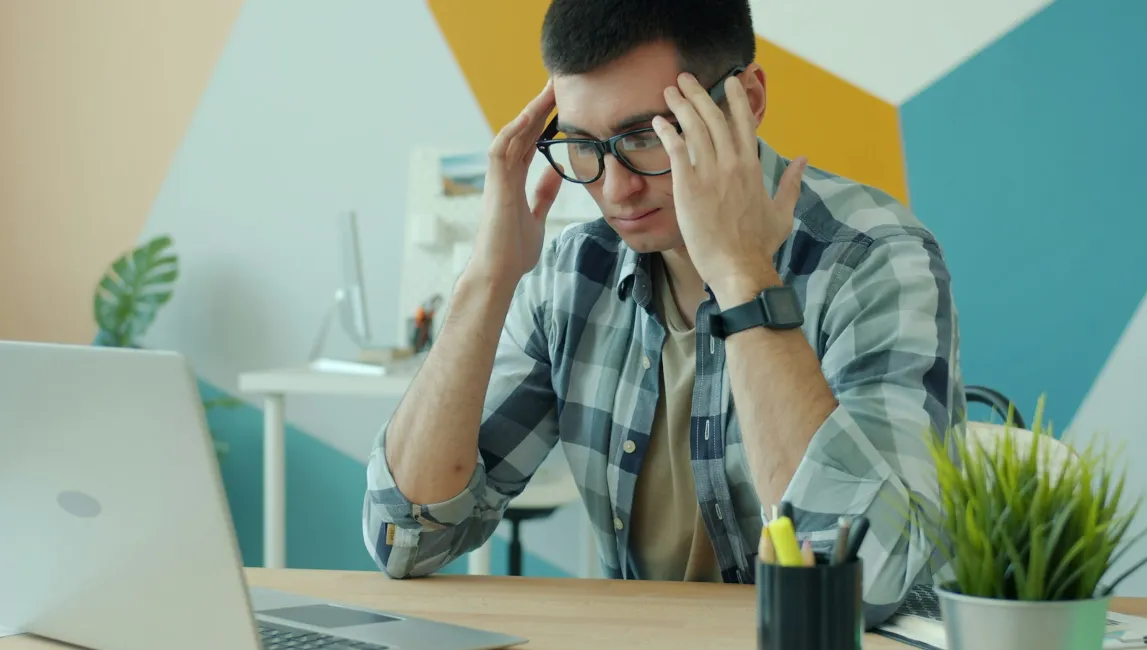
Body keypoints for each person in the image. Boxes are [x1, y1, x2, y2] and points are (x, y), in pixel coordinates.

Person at [362, 0, 962, 627]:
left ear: (746, 101)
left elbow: (865, 582)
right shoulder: (574, 274)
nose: (614, 190)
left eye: (649, 136)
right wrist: (485, 281)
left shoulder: (873, 260)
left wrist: (740, 275)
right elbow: (407, 540)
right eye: (583, 145)